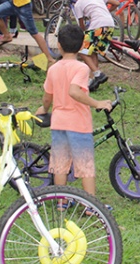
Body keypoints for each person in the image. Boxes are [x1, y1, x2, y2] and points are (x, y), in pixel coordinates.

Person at [34, 23, 113, 197]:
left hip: (59, 122)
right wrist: (96, 103)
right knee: (85, 164)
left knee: (60, 164)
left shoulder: (53, 68)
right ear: (83, 45)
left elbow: (48, 96)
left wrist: (44, 108)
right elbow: (75, 91)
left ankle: (61, 202)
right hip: (78, 123)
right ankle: (91, 205)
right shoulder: (82, 68)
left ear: (59, 45)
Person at [68, 0, 116, 91]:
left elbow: (81, 26)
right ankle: (93, 80)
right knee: (92, 52)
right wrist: (105, 12)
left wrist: (83, 33)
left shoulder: (78, 4)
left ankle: (98, 74)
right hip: (110, 25)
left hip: (98, 26)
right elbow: (116, 3)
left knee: (81, 50)